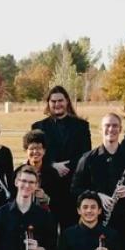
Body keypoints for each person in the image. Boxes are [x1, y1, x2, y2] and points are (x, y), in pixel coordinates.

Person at [71, 113, 125, 241]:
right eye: (107, 125)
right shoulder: (88, 159)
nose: (111, 129)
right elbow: (75, 188)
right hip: (97, 222)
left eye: (115, 126)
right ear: (100, 130)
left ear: (120, 129)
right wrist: (97, 195)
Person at [32, 86, 91, 230]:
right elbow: (34, 153)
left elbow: (85, 154)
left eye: (60, 100)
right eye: (53, 101)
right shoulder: (38, 126)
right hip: (47, 186)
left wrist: (68, 167)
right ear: (48, 103)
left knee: (70, 229)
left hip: (72, 186)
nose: (57, 104)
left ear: (67, 102)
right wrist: (52, 164)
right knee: (45, 231)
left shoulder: (82, 126)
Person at [14, 130, 57, 216]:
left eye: (38, 148)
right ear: (26, 151)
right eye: (31, 149)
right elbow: (12, 197)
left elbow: (60, 200)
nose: (35, 152)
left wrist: (46, 198)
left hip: (45, 218)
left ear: (44, 151)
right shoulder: (18, 172)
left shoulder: (53, 173)